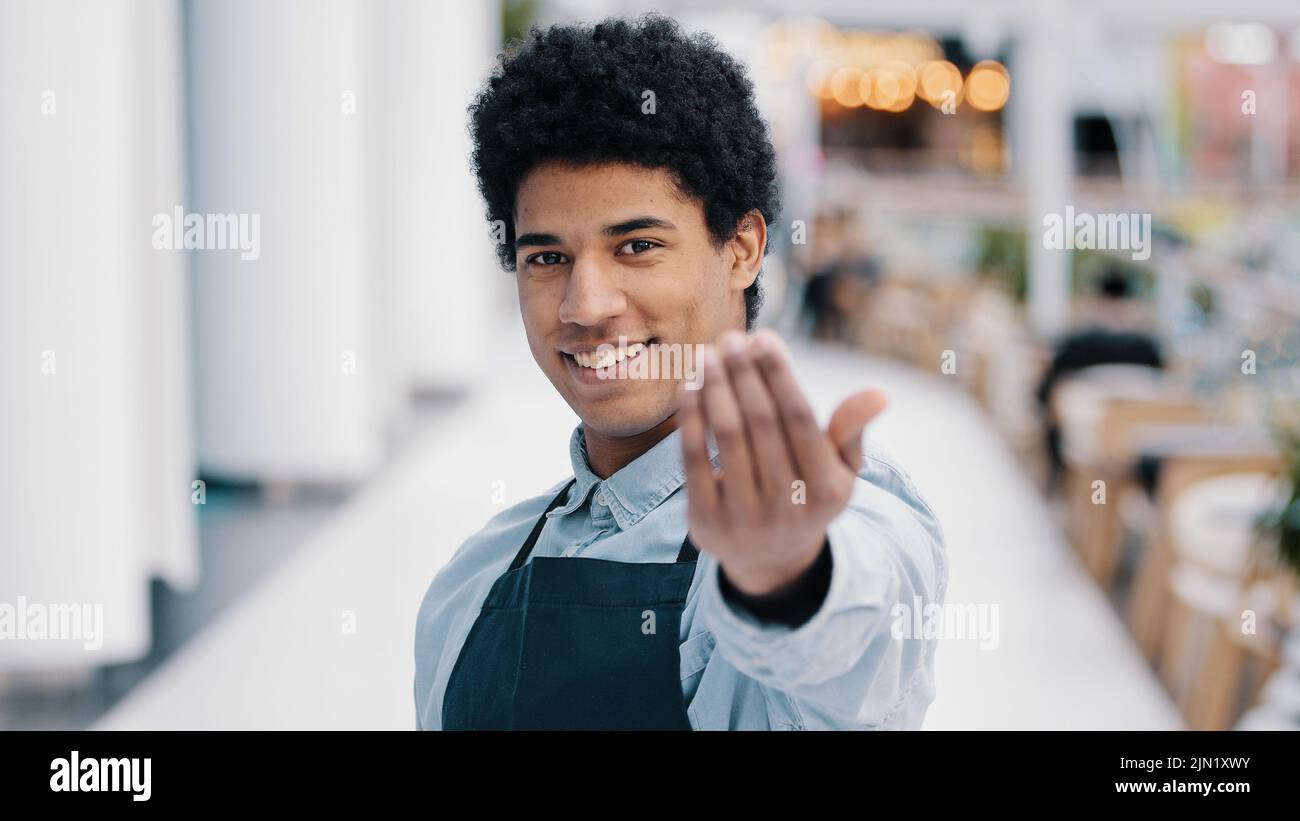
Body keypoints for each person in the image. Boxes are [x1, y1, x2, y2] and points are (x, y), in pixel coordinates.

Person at [413, 15, 947, 730]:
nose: (584, 304)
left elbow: (855, 635)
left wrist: (784, 579)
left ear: (743, 249)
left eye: (636, 245)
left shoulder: (830, 505)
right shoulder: (472, 580)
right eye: (548, 257)